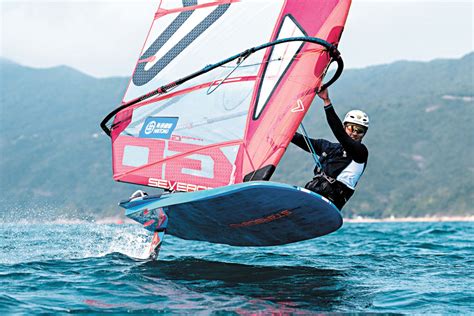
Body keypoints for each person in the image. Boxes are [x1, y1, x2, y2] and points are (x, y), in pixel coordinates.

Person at [291, 89, 369, 210]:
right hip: (313, 195)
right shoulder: (328, 147)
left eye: (360, 131)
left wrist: (327, 102)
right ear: (344, 126)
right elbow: (301, 140)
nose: (354, 133)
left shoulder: (360, 153)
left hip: (331, 202)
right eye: (351, 128)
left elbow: (340, 134)